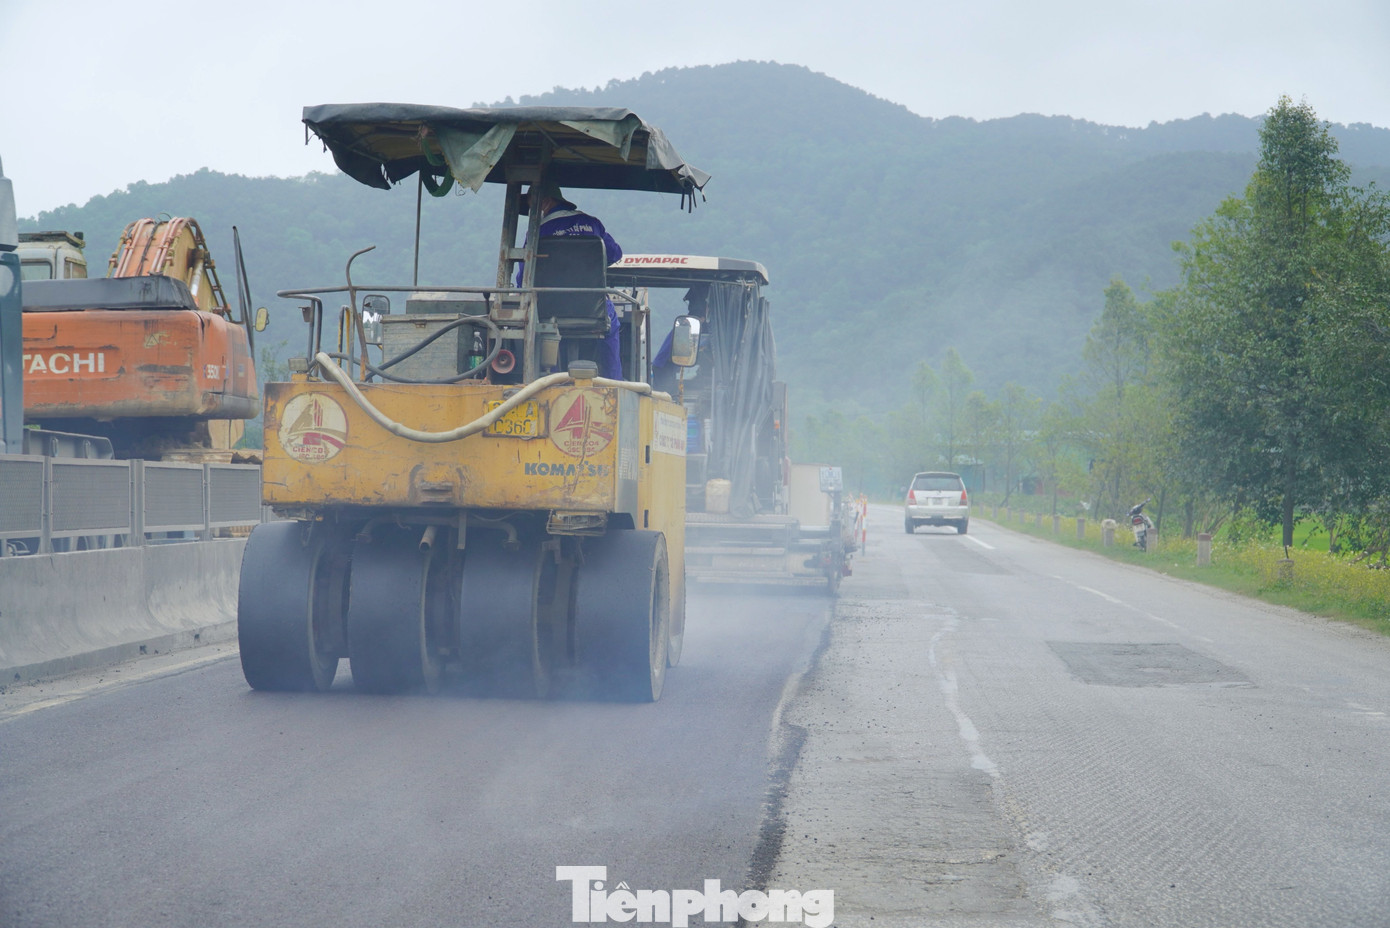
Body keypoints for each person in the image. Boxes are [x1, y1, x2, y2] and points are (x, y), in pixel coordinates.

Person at [516, 179, 624, 378]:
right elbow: (615, 254)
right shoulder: (592, 224)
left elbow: (523, 277)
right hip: (592, 306)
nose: (532, 212)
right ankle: (613, 381)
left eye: (533, 205)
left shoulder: (537, 232)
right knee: (612, 324)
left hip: (549, 308)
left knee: (534, 325)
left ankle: (550, 378)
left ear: (546, 202)